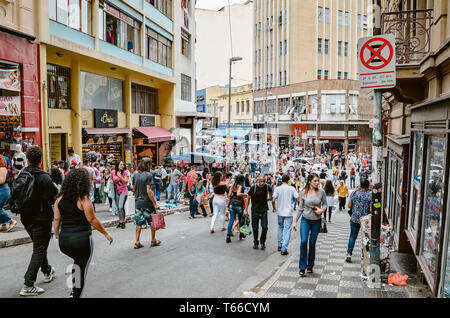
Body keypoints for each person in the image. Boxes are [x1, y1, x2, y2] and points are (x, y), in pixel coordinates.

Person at [53, 168, 113, 298]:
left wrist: (56, 235)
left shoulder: (59, 199)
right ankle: (75, 295)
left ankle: (72, 291)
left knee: (76, 264)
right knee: (82, 270)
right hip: (81, 241)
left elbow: (57, 219)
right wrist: (106, 233)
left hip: (64, 241)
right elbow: (92, 219)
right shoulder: (83, 199)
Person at [18, 146, 59, 296]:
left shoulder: (23, 174)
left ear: (27, 159)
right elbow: (54, 194)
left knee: (39, 246)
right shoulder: (44, 177)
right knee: (39, 249)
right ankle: (28, 284)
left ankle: (47, 271)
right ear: (41, 160)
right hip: (41, 218)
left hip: (26, 218)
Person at [293, 173, 327, 277]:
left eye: (318, 180)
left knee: (312, 244)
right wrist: (295, 221)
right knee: (303, 242)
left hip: (316, 221)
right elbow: (300, 208)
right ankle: (302, 267)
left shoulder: (321, 192)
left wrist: (322, 210)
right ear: (309, 182)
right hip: (305, 220)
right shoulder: (303, 192)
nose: (317, 183)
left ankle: (310, 265)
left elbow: (325, 204)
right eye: (315, 181)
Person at [132, 160, 161, 249]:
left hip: (138, 203)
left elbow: (133, 189)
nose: (151, 167)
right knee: (152, 222)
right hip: (147, 203)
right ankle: (153, 240)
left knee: (138, 223)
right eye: (150, 165)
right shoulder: (148, 175)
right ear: (147, 165)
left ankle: (137, 242)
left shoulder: (135, 175)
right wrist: (155, 204)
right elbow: (149, 190)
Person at [245, 176, 274, 250]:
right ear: (258, 181)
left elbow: (271, 191)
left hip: (264, 210)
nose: (263, 183)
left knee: (265, 227)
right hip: (255, 210)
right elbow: (248, 199)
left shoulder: (267, 187)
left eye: (264, 181)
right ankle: (255, 242)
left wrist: (270, 197)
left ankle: (262, 241)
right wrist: (246, 210)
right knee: (255, 228)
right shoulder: (253, 188)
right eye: (261, 181)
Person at [346, 179, 372, 263]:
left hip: (354, 218)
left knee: (352, 236)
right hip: (365, 220)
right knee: (365, 237)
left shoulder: (354, 193)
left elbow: (349, 205)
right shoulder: (370, 196)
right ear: (368, 186)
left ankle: (349, 254)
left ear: (360, 185)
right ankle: (363, 254)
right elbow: (371, 209)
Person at [273, 174, 299, 255]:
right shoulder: (292, 188)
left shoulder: (277, 189)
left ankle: (279, 244)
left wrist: (274, 208)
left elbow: (273, 200)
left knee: (280, 227)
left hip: (280, 212)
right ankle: (284, 248)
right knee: (288, 229)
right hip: (288, 212)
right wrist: (298, 206)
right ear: (288, 181)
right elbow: (298, 198)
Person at [227, 174, 246, 243]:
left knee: (231, 220)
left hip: (232, 204)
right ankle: (241, 234)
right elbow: (238, 194)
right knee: (240, 219)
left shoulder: (233, 185)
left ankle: (228, 236)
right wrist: (245, 194)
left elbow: (229, 195)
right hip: (239, 204)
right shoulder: (240, 185)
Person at [111, 161, 130, 229]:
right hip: (116, 191)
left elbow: (125, 182)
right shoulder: (113, 172)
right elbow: (111, 179)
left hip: (123, 191)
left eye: (123, 164)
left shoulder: (125, 172)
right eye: (120, 164)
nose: (122, 165)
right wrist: (112, 182)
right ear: (117, 165)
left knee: (120, 206)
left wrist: (120, 176)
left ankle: (123, 221)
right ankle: (121, 221)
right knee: (118, 207)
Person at [0, 156, 16, 232]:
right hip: (2, 190)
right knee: (1, 208)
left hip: (3, 190)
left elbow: (2, 181)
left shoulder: (2, 168)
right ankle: (3, 224)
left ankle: (11, 221)